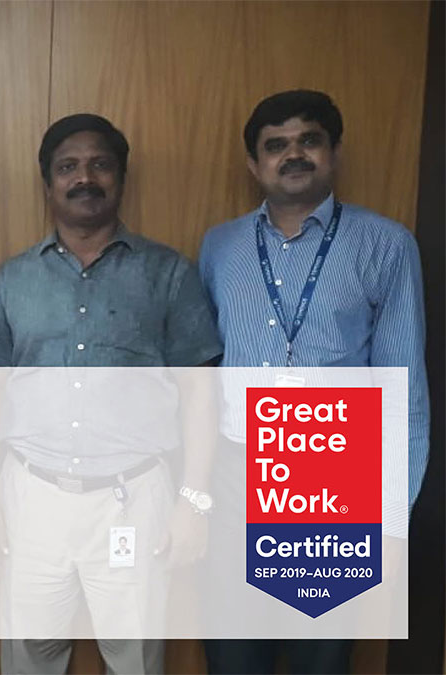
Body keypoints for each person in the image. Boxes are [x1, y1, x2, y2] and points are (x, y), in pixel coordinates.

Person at [0, 113, 222, 675]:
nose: (84, 178)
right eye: (68, 167)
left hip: (134, 496)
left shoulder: (167, 273)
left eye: (99, 165)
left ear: (120, 178)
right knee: (29, 660)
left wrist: (194, 503)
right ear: (48, 183)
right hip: (31, 496)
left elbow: (201, 394)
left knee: (134, 661)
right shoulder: (15, 278)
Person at [199, 89, 429, 674]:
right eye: (276, 145)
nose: (293, 154)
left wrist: (391, 523)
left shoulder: (386, 244)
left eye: (309, 140)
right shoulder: (220, 247)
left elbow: (404, 396)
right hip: (236, 470)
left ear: (334, 152)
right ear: (254, 164)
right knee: (233, 656)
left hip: (334, 473)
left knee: (318, 659)